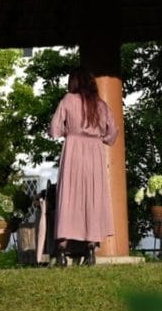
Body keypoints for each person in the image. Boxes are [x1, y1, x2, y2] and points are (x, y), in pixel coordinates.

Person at [48, 67, 118, 265]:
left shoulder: (68, 100)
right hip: (95, 151)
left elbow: (54, 128)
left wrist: (67, 132)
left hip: (73, 149)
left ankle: (61, 251)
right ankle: (90, 250)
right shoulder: (100, 105)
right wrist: (99, 137)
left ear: (74, 83)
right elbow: (113, 132)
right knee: (93, 196)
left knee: (69, 195)